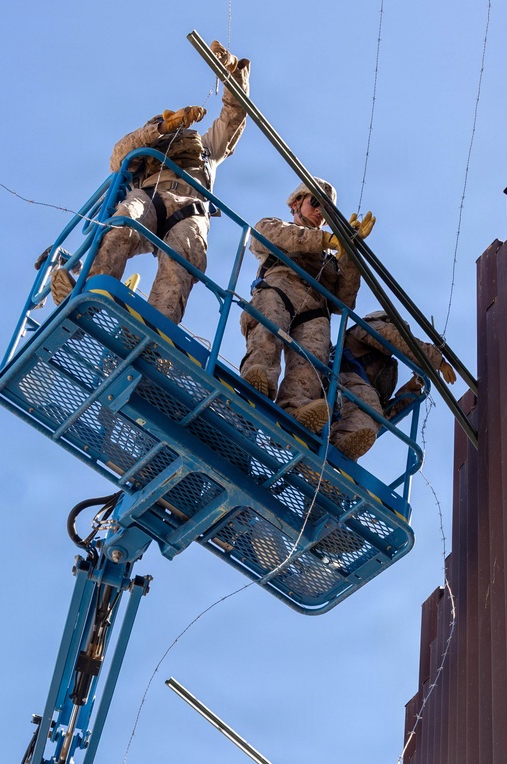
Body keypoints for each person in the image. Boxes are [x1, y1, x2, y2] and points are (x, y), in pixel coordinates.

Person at [51, 42, 249, 325]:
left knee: (183, 258)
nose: (177, 131)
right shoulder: (144, 153)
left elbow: (234, 116)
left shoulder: (206, 149)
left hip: (191, 207)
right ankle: (91, 293)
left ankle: (157, 326)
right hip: (151, 196)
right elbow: (119, 158)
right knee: (123, 224)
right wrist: (162, 128)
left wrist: (232, 72)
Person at [240, 181, 373, 433]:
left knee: (313, 358)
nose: (320, 211)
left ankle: (295, 408)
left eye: (327, 210)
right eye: (315, 203)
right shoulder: (275, 226)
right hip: (280, 288)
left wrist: (349, 253)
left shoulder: (329, 259)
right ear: (296, 203)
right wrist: (326, 240)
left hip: (315, 309)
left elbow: (344, 301)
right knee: (268, 324)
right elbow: (264, 235)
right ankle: (258, 380)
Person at [329, 312, 457, 460]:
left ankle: (339, 454)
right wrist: (435, 360)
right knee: (368, 410)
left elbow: (384, 416)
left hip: (345, 406)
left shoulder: (382, 371)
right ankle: (337, 450)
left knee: (371, 419)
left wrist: (412, 389)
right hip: (340, 384)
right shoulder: (367, 327)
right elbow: (394, 337)